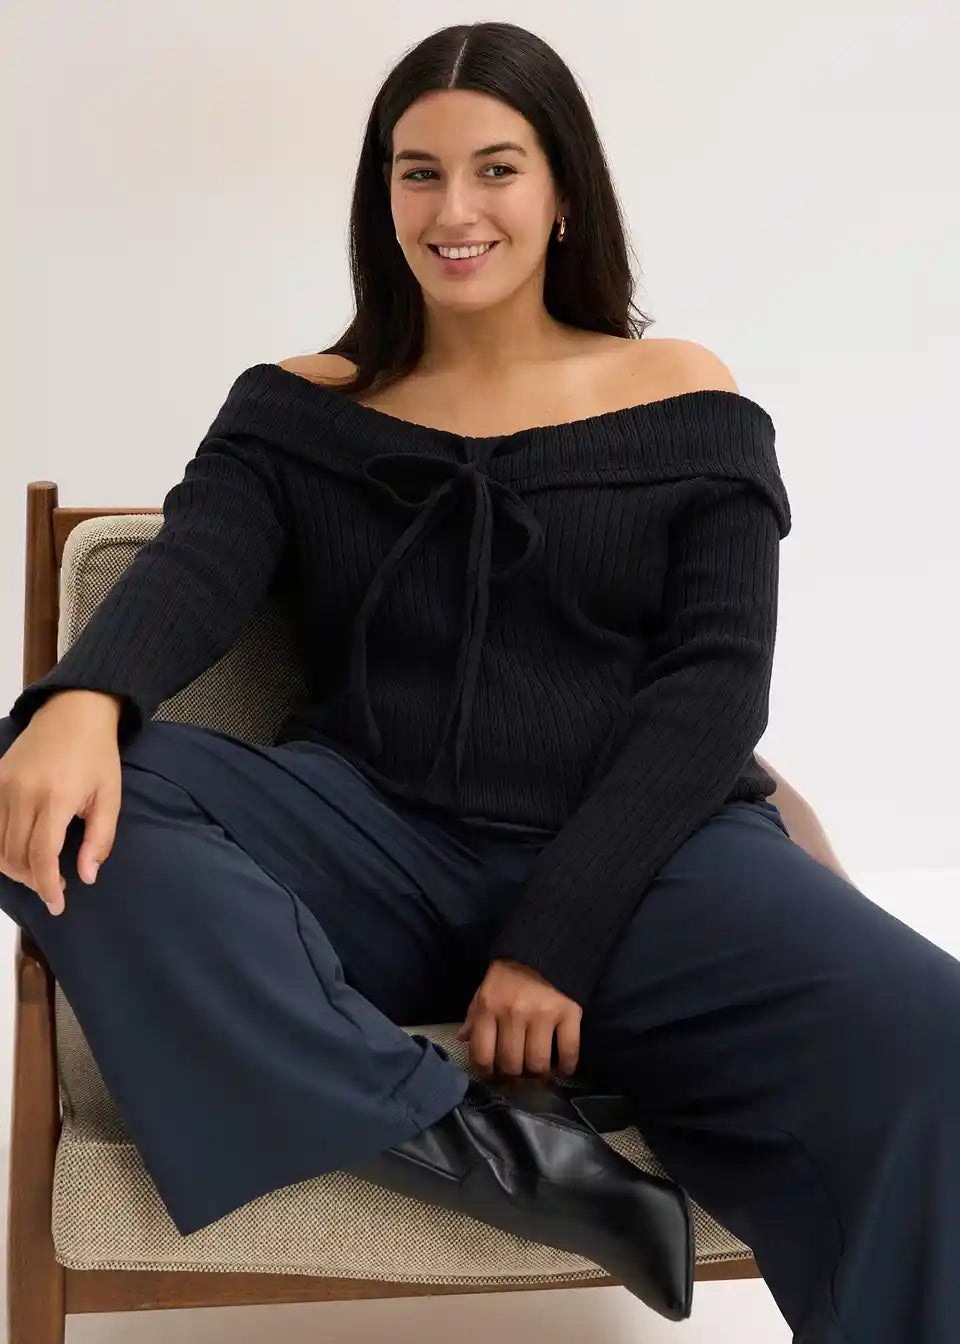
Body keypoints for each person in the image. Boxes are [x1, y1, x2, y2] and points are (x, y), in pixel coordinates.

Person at [1, 19, 957, 1340]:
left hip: (648, 858)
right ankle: (497, 1156)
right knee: (83, 800)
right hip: (369, 841)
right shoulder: (296, 404)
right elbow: (191, 570)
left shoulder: (681, 393)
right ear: (381, 197)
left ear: (564, 193)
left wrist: (551, 941)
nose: (455, 211)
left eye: (497, 169)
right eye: (420, 173)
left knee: (929, 1032)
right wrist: (76, 704)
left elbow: (716, 689)